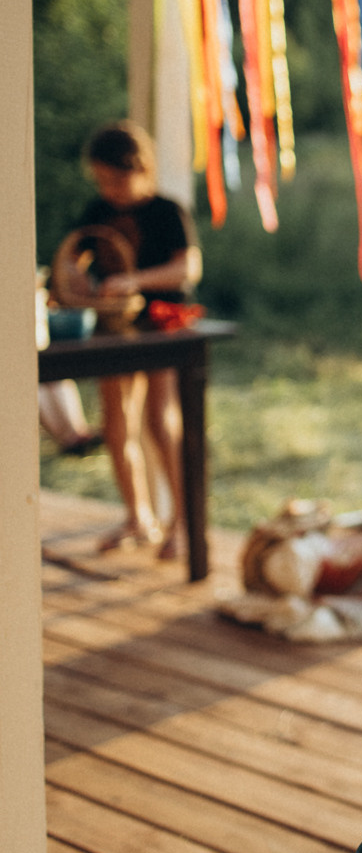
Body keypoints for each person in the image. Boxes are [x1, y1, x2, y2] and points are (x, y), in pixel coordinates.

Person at [77, 121, 202, 558]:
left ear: (140, 168)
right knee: (115, 423)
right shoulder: (97, 211)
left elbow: (187, 268)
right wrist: (76, 281)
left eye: (116, 178)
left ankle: (183, 522)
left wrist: (134, 280)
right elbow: (77, 258)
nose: (109, 188)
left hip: (160, 322)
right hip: (114, 326)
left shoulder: (166, 211)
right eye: (102, 180)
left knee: (159, 421)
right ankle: (138, 516)